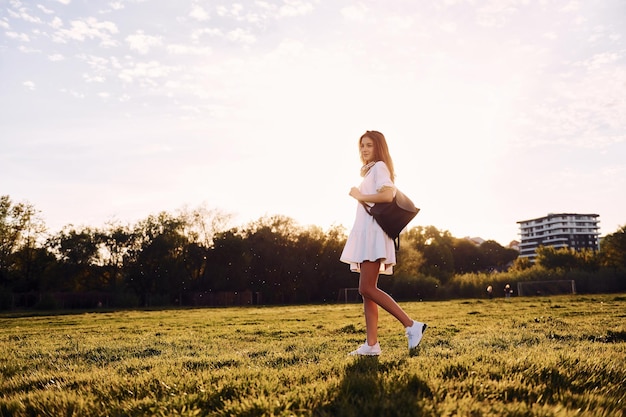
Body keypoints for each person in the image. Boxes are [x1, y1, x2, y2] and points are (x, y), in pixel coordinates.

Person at [340, 130, 427, 356]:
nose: (365, 149)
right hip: (368, 234)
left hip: (373, 235)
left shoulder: (379, 167)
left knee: (366, 288)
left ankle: (411, 326)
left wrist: (360, 196)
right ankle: (372, 345)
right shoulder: (370, 171)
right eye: (362, 146)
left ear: (378, 147)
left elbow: (387, 196)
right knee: (366, 291)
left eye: (369, 145)